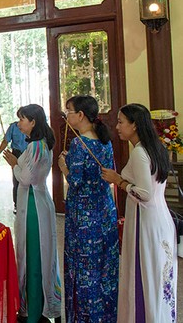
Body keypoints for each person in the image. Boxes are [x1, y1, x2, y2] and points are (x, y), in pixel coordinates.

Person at [101, 103, 177, 322]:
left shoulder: (140, 153)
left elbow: (145, 193)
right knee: (157, 279)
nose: (117, 127)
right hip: (160, 219)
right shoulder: (155, 148)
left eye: (121, 122)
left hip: (147, 222)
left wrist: (120, 181)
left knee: (146, 277)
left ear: (134, 125)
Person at [58, 95, 118, 322]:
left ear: (80, 115)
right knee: (104, 268)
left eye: (69, 111)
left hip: (84, 216)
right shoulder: (105, 141)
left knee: (84, 270)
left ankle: (84, 317)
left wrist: (64, 166)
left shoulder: (80, 143)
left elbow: (76, 181)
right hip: (105, 211)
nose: (67, 116)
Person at [3, 104, 62, 323]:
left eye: (22, 119)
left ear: (33, 122)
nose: (19, 124)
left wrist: (14, 164)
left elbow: (26, 178)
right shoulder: (39, 144)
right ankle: (30, 306)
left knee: (33, 256)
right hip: (35, 201)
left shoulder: (37, 146)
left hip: (33, 205)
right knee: (32, 254)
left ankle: (35, 310)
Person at [0, 118, 28, 213]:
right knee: (16, 180)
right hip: (16, 154)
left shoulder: (31, 127)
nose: (20, 121)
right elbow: (5, 141)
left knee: (28, 178)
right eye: (20, 118)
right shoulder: (13, 126)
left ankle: (28, 203)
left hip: (28, 153)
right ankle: (17, 205)